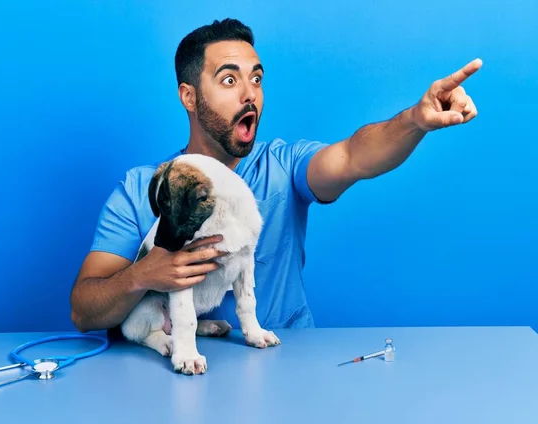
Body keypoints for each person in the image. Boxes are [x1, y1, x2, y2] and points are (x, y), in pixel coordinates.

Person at [69, 18, 481, 335]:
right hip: (179, 377)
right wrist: (143, 275)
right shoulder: (144, 188)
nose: (250, 93)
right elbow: (83, 310)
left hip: (284, 366)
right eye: (229, 80)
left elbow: (356, 155)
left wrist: (414, 120)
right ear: (188, 96)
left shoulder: (284, 166)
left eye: (256, 78)